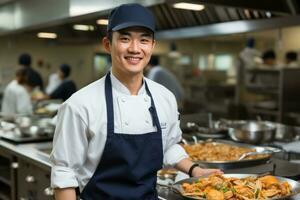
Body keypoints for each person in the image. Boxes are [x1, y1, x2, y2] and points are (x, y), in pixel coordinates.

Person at [50, 3, 222, 200]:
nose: (134, 48)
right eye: (124, 39)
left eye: (144, 40)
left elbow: (170, 146)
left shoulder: (164, 97)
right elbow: (64, 173)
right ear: (108, 44)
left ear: (152, 46)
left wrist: (195, 170)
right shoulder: (80, 104)